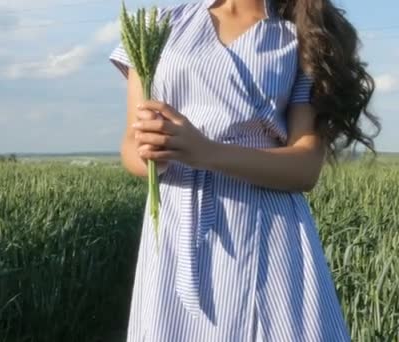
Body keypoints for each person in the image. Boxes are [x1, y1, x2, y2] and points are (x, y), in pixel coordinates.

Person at [109, 0, 381, 340]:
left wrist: (205, 153)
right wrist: (154, 155)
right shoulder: (159, 24)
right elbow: (131, 146)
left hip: (267, 228)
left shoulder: (301, 35)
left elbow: (305, 167)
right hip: (175, 229)